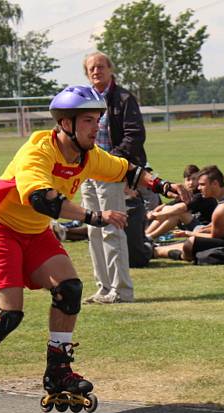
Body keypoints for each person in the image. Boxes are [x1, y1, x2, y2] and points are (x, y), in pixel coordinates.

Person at [0, 85, 187, 412]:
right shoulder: (38, 152)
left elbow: (126, 169)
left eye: (98, 119)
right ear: (66, 123)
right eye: (87, 120)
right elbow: (43, 199)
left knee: (69, 290)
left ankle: (58, 371)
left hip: (33, 232)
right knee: (8, 314)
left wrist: (164, 186)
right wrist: (95, 216)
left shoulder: (88, 156)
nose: (96, 126)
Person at [81, 51, 147, 304]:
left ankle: (121, 290)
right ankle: (103, 287)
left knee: (112, 229)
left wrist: (113, 162)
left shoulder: (124, 98)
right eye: (91, 69)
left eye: (100, 67)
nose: (96, 71)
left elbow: (134, 135)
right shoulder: (84, 99)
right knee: (93, 230)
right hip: (86, 170)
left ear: (110, 69)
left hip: (111, 170)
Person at [154, 165, 224, 265]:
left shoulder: (223, 209)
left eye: (202, 184)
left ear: (215, 184)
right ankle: (154, 249)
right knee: (192, 241)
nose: (198, 188)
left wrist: (188, 233)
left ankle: (163, 253)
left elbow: (215, 237)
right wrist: (204, 229)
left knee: (190, 243)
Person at [145, 164, 216, 240]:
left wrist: (155, 214)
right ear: (184, 181)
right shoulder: (186, 194)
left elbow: (179, 208)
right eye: (188, 179)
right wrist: (153, 212)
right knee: (170, 211)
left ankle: (149, 237)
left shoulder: (201, 194)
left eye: (194, 179)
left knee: (176, 213)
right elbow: (166, 206)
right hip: (190, 226)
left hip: (203, 229)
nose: (191, 182)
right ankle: (145, 235)